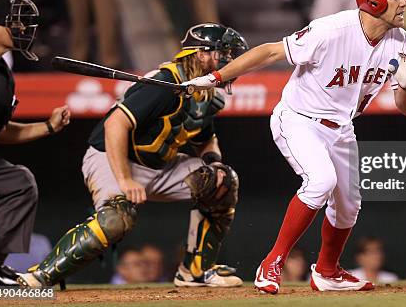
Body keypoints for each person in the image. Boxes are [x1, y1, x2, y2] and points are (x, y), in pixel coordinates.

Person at [184, 0, 406, 293]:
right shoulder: (331, 30)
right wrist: (215, 78)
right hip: (299, 118)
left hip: (341, 128)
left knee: (349, 206)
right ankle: (272, 263)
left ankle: (327, 272)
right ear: (374, 1)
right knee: (321, 180)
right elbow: (270, 51)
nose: (405, 1)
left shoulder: (401, 44)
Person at [17, 23, 249, 288]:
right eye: (224, 54)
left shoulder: (206, 93)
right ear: (200, 54)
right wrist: (125, 180)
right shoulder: (164, 83)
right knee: (116, 218)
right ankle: (39, 277)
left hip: (159, 166)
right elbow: (114, 125)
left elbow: (205, 139)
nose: (230, 62)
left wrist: (213, 162)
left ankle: (195, 271)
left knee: (222, 181)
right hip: (112, 157)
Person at [0, 0, 70, 285]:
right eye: (14, 23)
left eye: (23, 24)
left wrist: (47, 126)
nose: (22, 29)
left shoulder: (1, 73)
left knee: (18, 182)